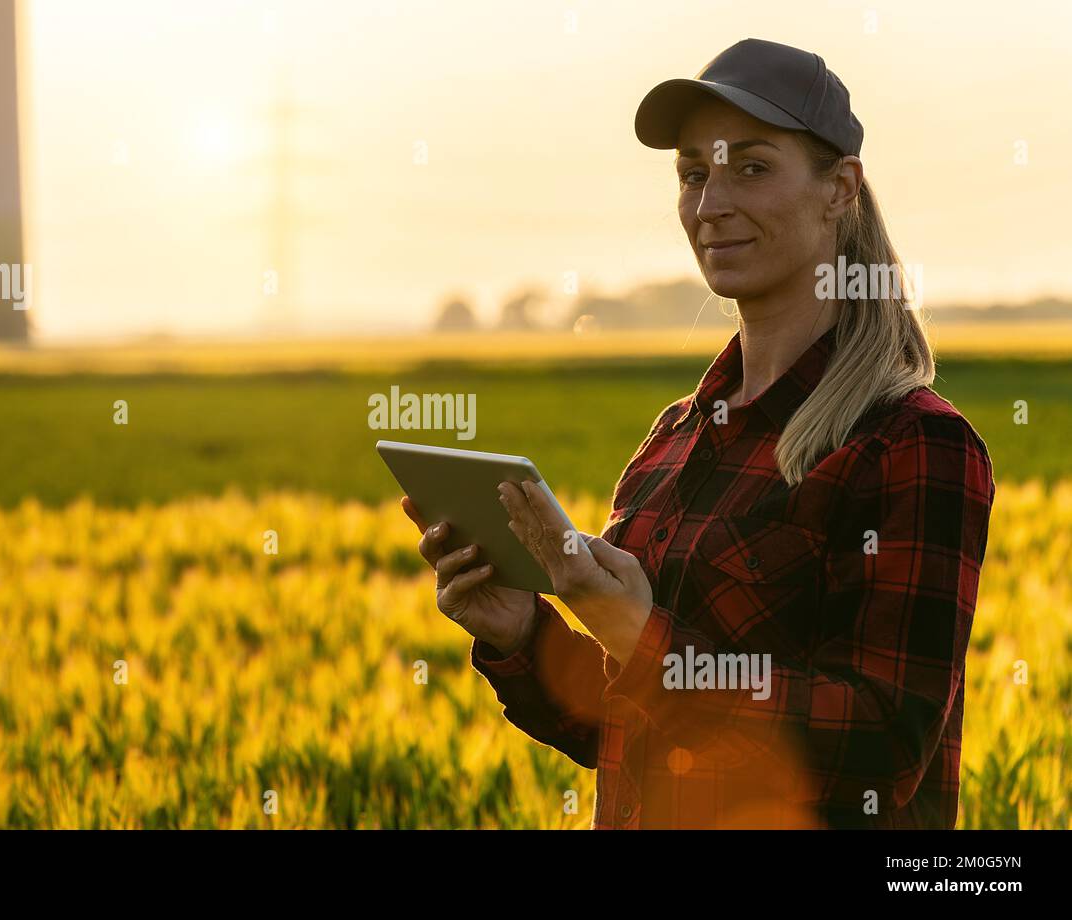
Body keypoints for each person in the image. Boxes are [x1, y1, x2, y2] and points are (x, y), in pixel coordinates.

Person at [400, 38, 994, 829]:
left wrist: (641, 636)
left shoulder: (910, 445)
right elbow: (634, 730)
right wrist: (522, 634)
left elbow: (881, 747)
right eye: (692, 175)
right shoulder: (675, 438)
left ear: (839, 188)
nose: (711, 204)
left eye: (751, 167)